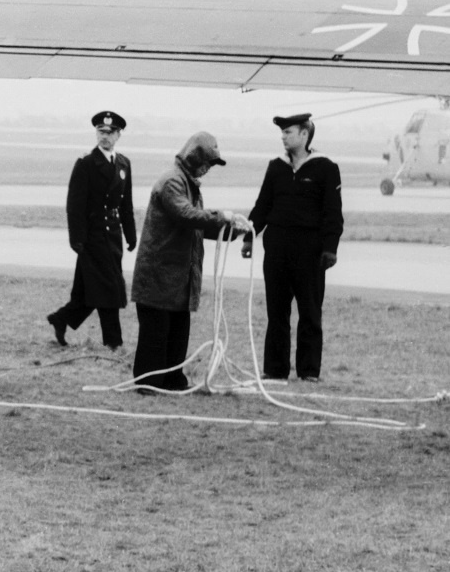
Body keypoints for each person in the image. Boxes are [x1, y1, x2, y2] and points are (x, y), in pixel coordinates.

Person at [130, 132, 251, 391]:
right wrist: (222, 217)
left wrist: (234, 230)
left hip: (177, 282)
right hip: (158, 279)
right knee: (157, 335)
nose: (208, 169)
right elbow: (187, 215)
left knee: (176, 334)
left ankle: (172, 382)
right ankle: (149, 385)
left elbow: (198, 226)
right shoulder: (172, 182)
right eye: (207, 162)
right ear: (194, 157)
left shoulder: (190, 185)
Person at [245, 113, 343, 382]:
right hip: (277, 248)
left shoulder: (325, 167)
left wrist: (330, 247)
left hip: (309, 251)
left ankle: (309, 371)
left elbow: (333, 213)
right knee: (277, 311)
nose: (283, 137)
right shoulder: (276, 167)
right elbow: (263, 205)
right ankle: (275, 370)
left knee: (310, 311)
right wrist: (248, 236)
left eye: (288, 132)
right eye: (282, 133)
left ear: (304, 134)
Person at [47, 111, 137, 349]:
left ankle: (61, 318)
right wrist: (76, 239)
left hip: (113, 237)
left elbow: (125, 203)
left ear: (118, 135)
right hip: (92, 237)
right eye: (101, 132)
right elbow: (74, 205)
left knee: (88, 291)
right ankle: (114, 343)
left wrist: (130, 234)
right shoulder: (86, 163)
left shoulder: (123, 164)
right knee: (109, 289)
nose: (104, 137)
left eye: (109, 133)